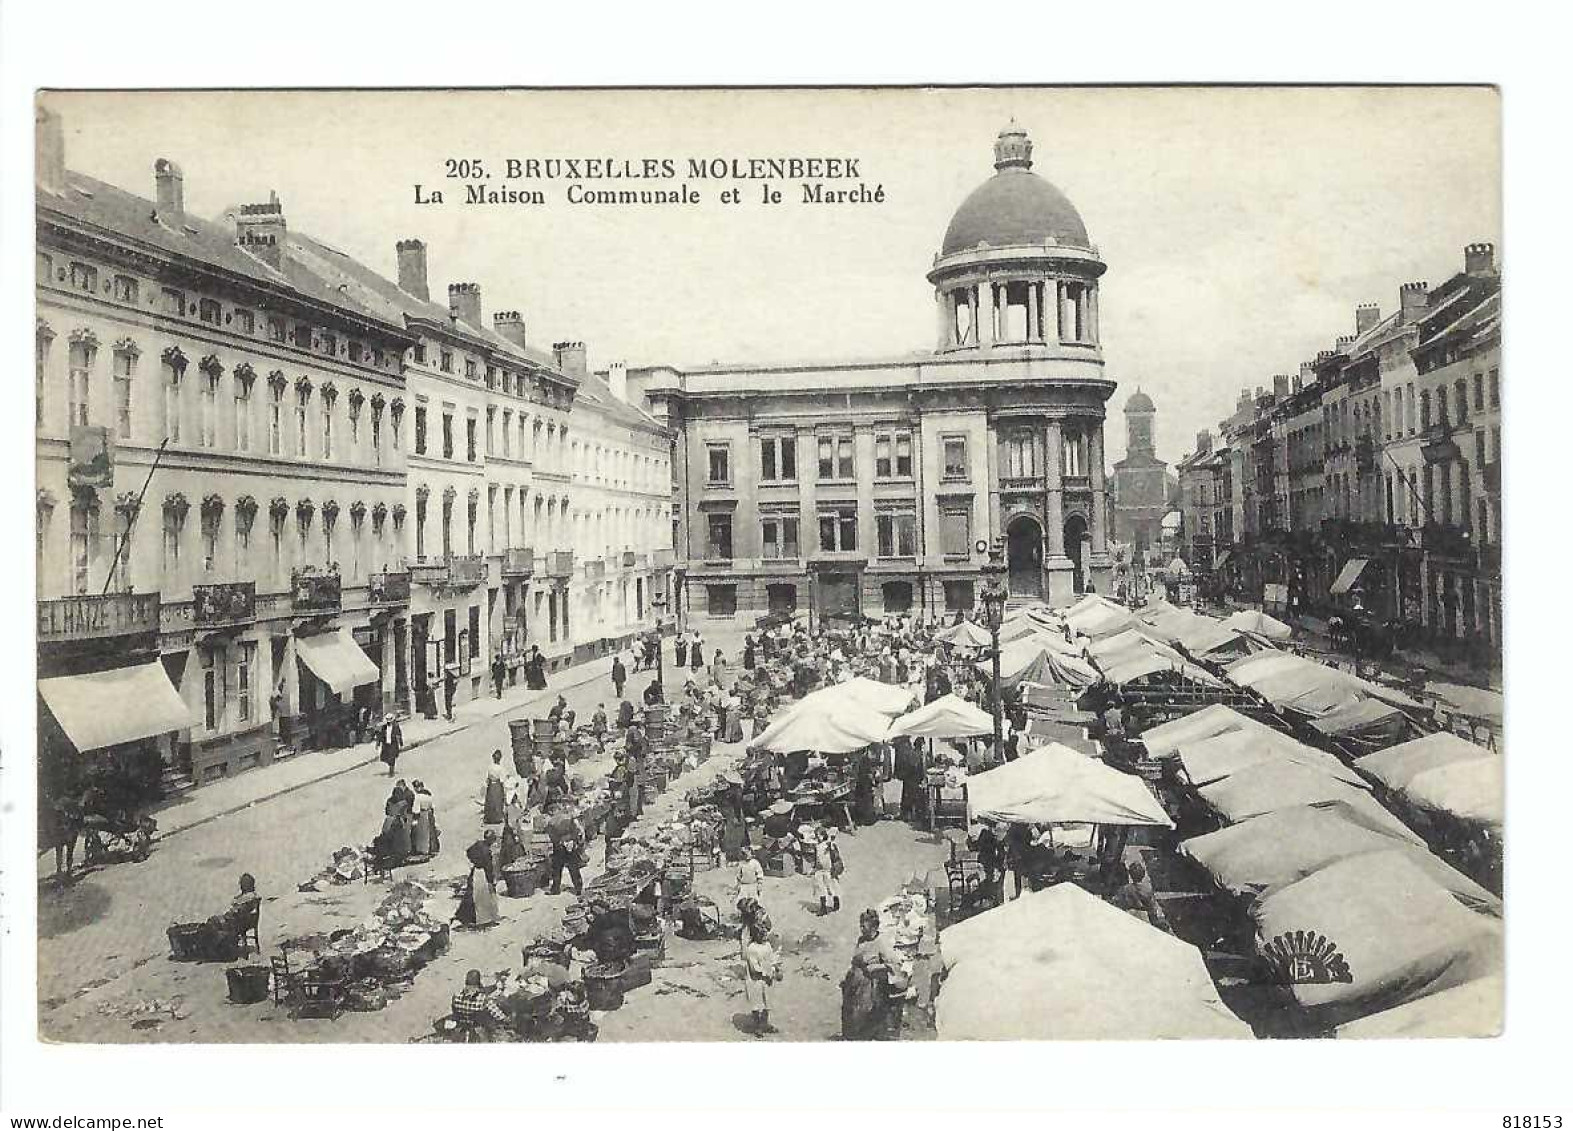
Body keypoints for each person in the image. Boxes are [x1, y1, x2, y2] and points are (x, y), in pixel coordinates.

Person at [841, 909, 899, 1041]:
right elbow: (855, 959)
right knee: (849, 1014)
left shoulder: (882, 943)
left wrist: (874, 968)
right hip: (854, 984)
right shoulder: (861, 940)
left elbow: (894, 965)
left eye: (864, 925)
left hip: (870, 987)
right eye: (860, 925)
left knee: (864, 1017)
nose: (861, 928)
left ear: (874, 926)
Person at [741, 919, 780, 1037]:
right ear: (755, 935)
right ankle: (758, 1026)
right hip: (755, 980)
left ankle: (765, 1024)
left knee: (767, 1002)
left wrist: (775, 967)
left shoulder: (767, 945)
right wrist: (766, 972)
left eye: (765, 935)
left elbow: (772, 958)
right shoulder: (752, 948)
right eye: (761, 935)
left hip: (767, 978)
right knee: (757, 1003)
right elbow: (754, 967)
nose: (764, 937)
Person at [451, 969, 510, 1040]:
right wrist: (507, 1020)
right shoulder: (483, 999)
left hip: (461, 1029)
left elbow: (454, 1012)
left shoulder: (456, 996)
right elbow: (497, 1014)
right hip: (478, 1031)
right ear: (478, 982)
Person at [457, 831, 500, 928]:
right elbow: (489, 868)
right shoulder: (487, 852)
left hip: (475, 871)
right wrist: (491, 881)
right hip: (482, 874)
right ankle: (484, 919)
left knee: (472, 895)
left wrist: (473, 862)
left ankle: (466, 917)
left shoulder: (478, 844)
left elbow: (468, 852)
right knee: (483, 897)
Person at [1109, 859, 1168, 930]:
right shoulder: (1147, 890)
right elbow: (1152, 909)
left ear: (1130, 875)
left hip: (1129, 915)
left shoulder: (1125, 888)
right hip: (1143, 917)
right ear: (1143, 875)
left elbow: (1117, 903)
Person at [546, 803, 586, 897]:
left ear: (552, 812)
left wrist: (560, 842)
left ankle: (555, 889)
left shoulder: (551, 822)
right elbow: (576, 830)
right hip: (570, 845)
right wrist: (572, 840)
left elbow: (552, 836)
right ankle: (579, 888)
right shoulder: (569, 818)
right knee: (574, 868)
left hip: (560, 847)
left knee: (557, 868)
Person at [810, 825, 843, 914]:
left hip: (829, 870)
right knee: (820, 888)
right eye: (816, 836)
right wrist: (814, 868)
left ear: (823, 835)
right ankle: (823, 907)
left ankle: (836, 903)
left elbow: (835, 855)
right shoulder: (817, 846)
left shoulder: (829, 845)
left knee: (831, 887)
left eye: (819, 835)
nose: (817, 837)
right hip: (819, 870)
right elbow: (816, 858)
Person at [411, 780, 438, 857]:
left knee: (422, 832)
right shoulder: (429, 795)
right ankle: (433, 849)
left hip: (422, 815)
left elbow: (416, 810)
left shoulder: (418, 797)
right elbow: (432, 807)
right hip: (429, 813)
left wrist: (414, 820)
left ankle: (423, 849)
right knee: (431, 831)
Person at [483, 751, 507, 825]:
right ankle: (497, 818)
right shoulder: (501, 768)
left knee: (490, 801)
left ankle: (489, 817)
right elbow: (502, 780)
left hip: (491, 786)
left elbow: (488, 778)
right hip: (497, 785)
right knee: (498, 801)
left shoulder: (490, 767)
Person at [378, 713, 403, 777]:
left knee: (392, 758)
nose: (389, 722)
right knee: (385, 758)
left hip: (393, 744)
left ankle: (391, 772)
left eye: (390, 720)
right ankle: (390, 766)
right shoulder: (384, 727)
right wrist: (378, 743)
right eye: (388, 720)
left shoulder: (396, 726)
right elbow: (381, 735)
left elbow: (399, 734)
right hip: (386, 744)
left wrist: (401, 743)